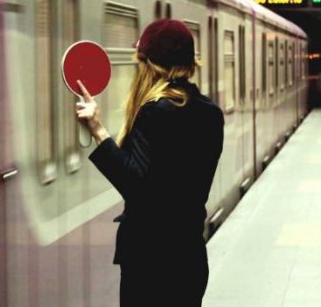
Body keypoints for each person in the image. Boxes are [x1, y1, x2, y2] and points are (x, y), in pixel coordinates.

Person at [76, 19, 225, 307]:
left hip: (150, 262)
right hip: (189, 255)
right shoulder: (211, 114)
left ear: (150, 66)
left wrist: (98, 130)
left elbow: (138, 187)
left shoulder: (154, 113)